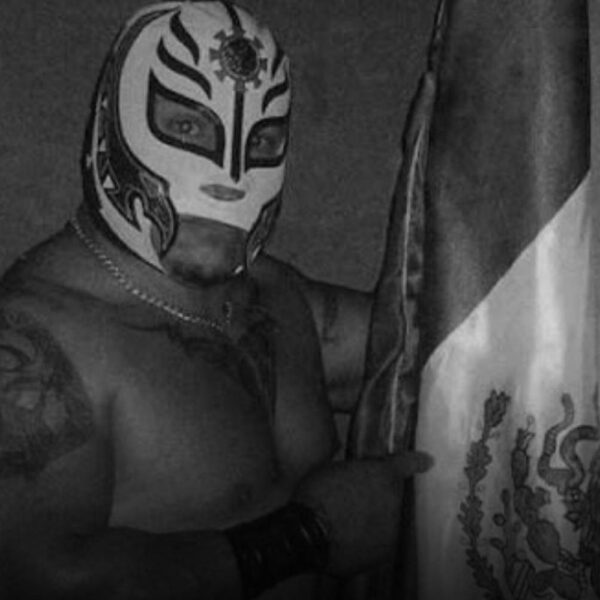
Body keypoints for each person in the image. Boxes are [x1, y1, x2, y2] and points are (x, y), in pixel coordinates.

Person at [0, 2, 431, 598]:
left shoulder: (280, 299)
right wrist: (305, 537)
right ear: (113, 122)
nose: (228, 174)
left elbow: (448, 349)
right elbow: (34, 581)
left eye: (263, 139)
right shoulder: (37, 339)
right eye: (187, 126)